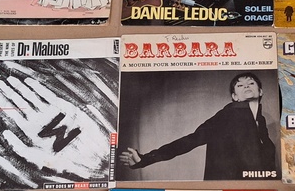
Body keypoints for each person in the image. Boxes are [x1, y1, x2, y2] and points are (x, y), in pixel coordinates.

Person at [119, 72, 277, 180]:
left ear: (260, 91)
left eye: (251, 83)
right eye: (240, 85)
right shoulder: (227, 115)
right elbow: (192, 140)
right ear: (234, 97)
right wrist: (145, 159)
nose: (247, 86)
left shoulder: (260, 122)